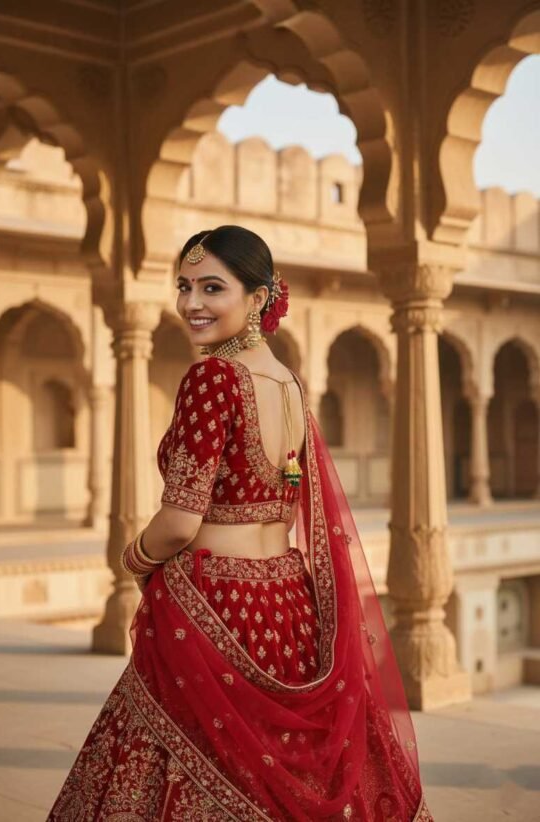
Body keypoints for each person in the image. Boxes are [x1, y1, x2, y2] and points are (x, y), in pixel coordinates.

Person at [48, 225, 433, 821]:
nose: (191, 303)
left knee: (172, 766)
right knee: (278, 772)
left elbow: (179, 522)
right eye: (183, 286)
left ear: (258, 298)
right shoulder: (287, 383)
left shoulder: (212, 379)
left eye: (211, 288)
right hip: (286, 601)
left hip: (215, 602)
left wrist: (135, 559)